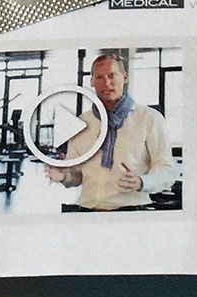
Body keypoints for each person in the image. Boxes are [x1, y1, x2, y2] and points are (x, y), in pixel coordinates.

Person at [46, 52, 179, 211]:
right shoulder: (82, 122)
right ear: (92, 81)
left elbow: (168, 170)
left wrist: (141, 182)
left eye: (112, 75)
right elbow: (76, 175)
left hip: (131, 211)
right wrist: (63, 176)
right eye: (99, 77)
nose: (106, 83)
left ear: (124, 77)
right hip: (86, 211)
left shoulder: (149, 118)